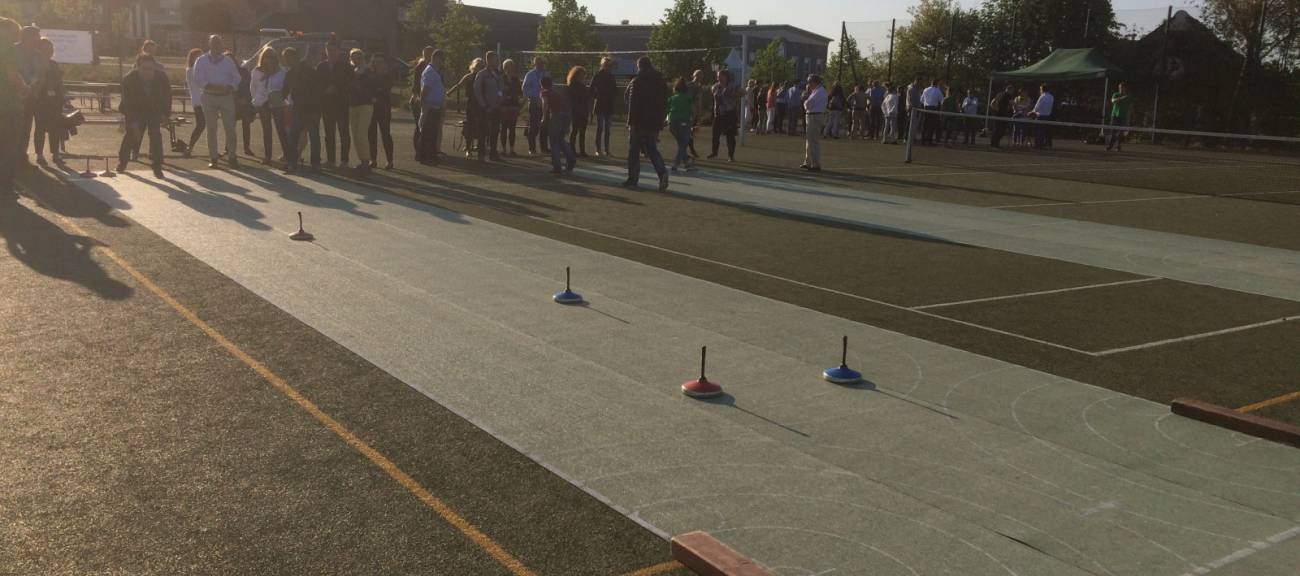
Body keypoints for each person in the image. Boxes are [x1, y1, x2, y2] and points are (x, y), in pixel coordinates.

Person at [117, 54, 170, 178]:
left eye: (150, 68)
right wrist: (133, 123)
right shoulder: (129, 79)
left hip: (154, 110)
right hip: (135, 110)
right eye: (144, 68)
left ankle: (157, 166)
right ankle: (122, 162)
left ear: (154, 67)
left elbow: (167, 96)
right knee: (131, 135)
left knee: (156, 136)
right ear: (137, 67)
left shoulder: (162, 77)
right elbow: (128, 103)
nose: (147, 71)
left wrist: (165, 115)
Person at [193, 35, 241, 169]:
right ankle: (213, 158)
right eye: (214, 43)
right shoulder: (201, 60)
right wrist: (211, 87)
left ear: (222, 45)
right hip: (209, 96)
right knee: (211, 128)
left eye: (218, 43)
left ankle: (232, 157)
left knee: (230, 128)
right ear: (209, 44)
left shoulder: (228, 61)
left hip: (226, 96)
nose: (216, 46)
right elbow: (197, 78)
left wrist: (229, 87)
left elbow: (237, 77)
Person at [623, 57, 668, 191]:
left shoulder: (637, 81)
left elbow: (633, 104)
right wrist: (661, 121)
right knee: (652, 149)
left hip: (639, 121)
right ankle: (662, 172)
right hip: (654, 122)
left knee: (634, 151)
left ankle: (633, 179)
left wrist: (631, 123)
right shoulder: (660, 81)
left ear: (639, 66)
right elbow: (664, 103)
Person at [282, 46, 321, 173]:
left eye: (287, 58)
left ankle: (315, 164)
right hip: (298, 109)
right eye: (285, 58)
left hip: (311, 109)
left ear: (294, 57)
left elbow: (317, 92)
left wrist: (316, 111)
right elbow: (284, 91)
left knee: (314, 138)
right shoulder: (290, 74)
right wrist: (273, 100)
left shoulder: (310, 71)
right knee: (293, 137)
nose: (286, 61)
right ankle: (292, 163)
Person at [1, 18, 28, 198]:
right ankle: (6, 186)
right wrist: (25, 87)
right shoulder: (8, 48)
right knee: (10, 147)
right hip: (8, 105)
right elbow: (12, 76)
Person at [317, 40, 353, 166]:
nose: (331, 53)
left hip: (342, 104)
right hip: (326, 105)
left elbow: (350, 84)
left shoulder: (346, 67)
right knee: (329, 133)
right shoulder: (321, 66)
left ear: (339, 51)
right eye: (329, 50)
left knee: (344, 133)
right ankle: (331, 160)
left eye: (334, 50)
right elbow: (316, 84)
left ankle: (344, 160)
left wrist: (337, 89)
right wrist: (325, 89)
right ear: (326, 51)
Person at [250, 47, 288, 164]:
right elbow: (253, 87)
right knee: (266, 129)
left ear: (275, 59)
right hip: (262, 101)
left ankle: (287, 155)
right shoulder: (256, 72)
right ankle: (268, 157)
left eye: (272, 57)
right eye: (267, 57)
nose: (269, 60)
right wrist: (256, 101)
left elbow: (285, 88)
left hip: (276, 99)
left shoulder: (281, 71)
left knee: (281, 128)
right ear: (263, 58)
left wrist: (283, 101)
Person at [16, 25, 44, 163]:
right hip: (13, 95)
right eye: (35, 36)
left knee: (26, 127)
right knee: (11, 126)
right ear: (26, 37)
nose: (38, 39)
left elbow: (39, 75)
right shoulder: (13, 50)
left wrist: (34, 91)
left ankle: (22, 154)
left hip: (30, 96)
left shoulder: (38, 55)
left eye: (38, 36)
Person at [32, 38, 63, 165]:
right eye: (46, 48)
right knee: (40, 127)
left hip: (55, 100)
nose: (49, 51)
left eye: (51, 49)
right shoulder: (35, 64)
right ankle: (39, 154)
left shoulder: (54, 64)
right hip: (40, 100)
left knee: (55, 127)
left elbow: (59, 82)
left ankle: (56, 153)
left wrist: (62, 97)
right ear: (39, 50)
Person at [447, 57, 484, 159]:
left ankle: (480, 148)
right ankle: (468, 148)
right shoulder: (469, 77)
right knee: (470, 126)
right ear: (473, 66)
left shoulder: (484, 77)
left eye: (482, 66)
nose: (480, 68)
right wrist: (449, 92)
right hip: (472, 104)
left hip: (482, 104)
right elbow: (459, 85)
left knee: (481, 126)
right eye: (478, 66)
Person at [346, 48, 376, 173]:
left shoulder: (368, 71)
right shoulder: (351, 72)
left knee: (361, 134)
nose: (356, 60)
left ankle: (366, 161)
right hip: (353, 105)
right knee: (355, 135)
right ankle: (362, 160)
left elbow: (372, 87)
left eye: (358, 57)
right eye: (353, 58)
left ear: (363, 58)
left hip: (365, 105)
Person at [540, 76, 574, 174]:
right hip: (565, 115)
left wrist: (543, 118)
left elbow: (545, 104)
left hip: (556, 115)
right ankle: (571, 158)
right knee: (560, 139)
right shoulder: (555, 93)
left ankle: (557, 166)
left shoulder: (544, 92)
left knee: (554, 141)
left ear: (541, 85)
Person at [473, 51, 503, 161]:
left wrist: (499, 99)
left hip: (496, 107)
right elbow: (477, 90)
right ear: (489, 60)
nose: (498, 62)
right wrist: (484, 105)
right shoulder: (482, 74)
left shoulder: (498, 74)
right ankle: (481, 154)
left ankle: (493, 153)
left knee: (495, 131)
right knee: (483, 132)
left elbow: (500, 88)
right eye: (496, 60)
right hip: (485, 108)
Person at [367, 53, 395, 169]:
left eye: (380, 62)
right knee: (371, 135)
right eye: (376, 62)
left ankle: (390, 160)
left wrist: (376, 93)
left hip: (384, 109)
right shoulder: (369, 75)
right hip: (371, 109)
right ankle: (373, 159)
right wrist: (374, 93)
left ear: (384, 63)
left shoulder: (387, 75)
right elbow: (367, 89)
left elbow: (386, 88)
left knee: (386, 134)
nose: (378, 64)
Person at [418, 50, 446, 163]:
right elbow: (425, 89)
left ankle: (431, 155)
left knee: (433, 132)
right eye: (442, 59)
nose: (443, 61)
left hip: (435, 106)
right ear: (436, 58)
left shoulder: (435, 71)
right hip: (430, 106)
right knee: (427, 133)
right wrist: (423, 105)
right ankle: (424, 157)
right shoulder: (430, 71)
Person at [410, 45, 434, 158]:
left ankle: (426, 150)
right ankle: (418, 151)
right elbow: (416, 85)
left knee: (427, 127)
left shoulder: (433, 67)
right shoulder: (420, 67)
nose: (429, 56)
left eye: (431, 53)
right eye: (427, 54)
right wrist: (416, 97)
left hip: (429, 100)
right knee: (419, 126)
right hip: (420, 100)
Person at [709, 69, 738, 162]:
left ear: (726, 77)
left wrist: (736, 94)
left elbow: (742, 92)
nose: (719, 78)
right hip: (718, 113)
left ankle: (731, 155)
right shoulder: (715, 87)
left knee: (730, 135)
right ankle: (714, 153)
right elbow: (714, 96)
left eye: (720, 76)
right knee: (715, 134)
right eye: (718, 76)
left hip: (729, 113)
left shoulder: (732, 86)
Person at [183, 48, 207, 157]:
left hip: (207, 101)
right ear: (192, 58)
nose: (200, 58)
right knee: (201, 124)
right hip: (198, 102)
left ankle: (213, 149)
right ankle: (190, 147)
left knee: (209, 125)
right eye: (198, 56)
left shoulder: (203, 70)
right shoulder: (190, 71)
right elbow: (199, 83)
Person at [590, 57, 616, 157]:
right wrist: (597, 96)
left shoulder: (611, 76)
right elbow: (591, 89)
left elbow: (615, 89)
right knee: (600, 128)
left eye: (609, 65)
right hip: (600, 104)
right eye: (606, 65)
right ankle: (598, 149)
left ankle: (607, 150)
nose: (608, 67)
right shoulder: (597, 75)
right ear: (602, 65)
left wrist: (611, 96)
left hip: (608, 104)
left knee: (607, 129)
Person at [667, 78, 693, 173]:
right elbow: (692, 110)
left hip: (672, 123)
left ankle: (686, 163)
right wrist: (695, 121)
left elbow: (667, 111)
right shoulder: (688, 98)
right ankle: (676, 163)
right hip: (683, 122)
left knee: (681, 144)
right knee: (683, 144)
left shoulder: (671, 98)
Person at [522, 57, 548, 155]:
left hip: (545, 102)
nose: (541, 64)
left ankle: (544, 148)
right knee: (533, 126)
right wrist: (534, 96)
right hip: (534, 102)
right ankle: (532, 148)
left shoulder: (546, 74)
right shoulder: (530, 74)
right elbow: (524, 89)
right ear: (535, 63)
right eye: (538, 63)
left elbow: (550, 86)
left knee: (544, 126)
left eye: (542, 62)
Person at [801, 74, 827, 172]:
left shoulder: (819, 92)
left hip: (815, 116)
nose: (808, 84)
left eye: (809, 82)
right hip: (812, 116)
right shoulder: (816, 91)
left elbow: (808, 104)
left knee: (813, 141)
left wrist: (805, 102)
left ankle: (815, 164)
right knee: (809, 140)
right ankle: (808, 161)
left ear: (814, 82)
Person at [499, 58, 522, 157]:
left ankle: (512, 149)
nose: (510, 69)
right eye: (507, 67)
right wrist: (503, 96)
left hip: (513, 105)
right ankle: (504, 149)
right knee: (504, 128)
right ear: (504, 68)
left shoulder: (516, 79)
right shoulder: (501, 79)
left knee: (512, 128)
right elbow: (498, 91)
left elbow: (520, 92)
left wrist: (516, 96)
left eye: (511, 67)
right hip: (504, 106)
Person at [566, 65, 590, 157]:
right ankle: (572, 149)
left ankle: (582, 150)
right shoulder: (572, 85)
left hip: (583, 110)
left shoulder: (583, 86)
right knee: (575, 130)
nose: (583, 77)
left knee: (582, 131)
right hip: (576, 110)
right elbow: (575, 98)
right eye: (581, 75)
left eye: (583, 75)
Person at [1107, 82, 1132, 152]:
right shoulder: (1115, 94)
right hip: (1115, 116)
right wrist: (1121, 98)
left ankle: (1118, 146)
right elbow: (1113, 101)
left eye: (1121, 87)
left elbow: (1130, 107)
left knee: (1121, 133)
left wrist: (1128, 117)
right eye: (1119, 87)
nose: (1120, 89)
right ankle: (1110, 146)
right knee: (1113, 132)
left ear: (1125, 88)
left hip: (1123, 117)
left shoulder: (1128, 97)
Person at [1030, 83, 1054, 148]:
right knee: (1046, 131)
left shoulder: (1042, 96)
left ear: (1042, 89)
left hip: (1041, 116)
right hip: (1048, 116)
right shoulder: (1051, 96)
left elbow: (1037, 107)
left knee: (1038, 131)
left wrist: (1031, 112)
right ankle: (1047, 144)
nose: (1040, 90)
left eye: (1040, 89)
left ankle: (1038, 144)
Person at [920, 79, 943, 145]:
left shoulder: (925, 89)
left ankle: (923, 140)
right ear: (937, 84)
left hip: (926, 108)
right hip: (933, 108)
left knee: (925, 124)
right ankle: (929, 140)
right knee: (932, 125)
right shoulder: (938, 90)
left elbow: (921, 100)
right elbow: (941, 100)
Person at [687, 69, 704, 158]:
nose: (699, 78)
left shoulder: (699, 87)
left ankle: (690, 150)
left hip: (693, 112)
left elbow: (699, 101)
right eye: (697, 76)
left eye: (700, 76)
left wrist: (698, 115)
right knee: (688, 132)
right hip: (689, 112)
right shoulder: (690, 86)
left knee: (690, 132)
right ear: (694, 76)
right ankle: (689, 150)